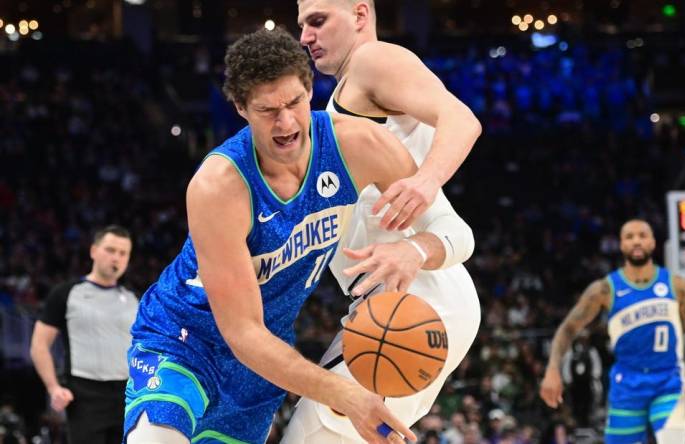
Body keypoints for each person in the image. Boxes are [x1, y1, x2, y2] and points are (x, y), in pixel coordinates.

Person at [119, 27, 455, 444]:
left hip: (263, 359)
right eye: (267, 110)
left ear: (310, 88)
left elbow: (452, 229)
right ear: (240, 108)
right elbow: (241, 331)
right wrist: (347, 396)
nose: (286, 122)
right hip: (185, 337)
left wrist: (415, 250)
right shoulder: (219, 185)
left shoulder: (359, 144)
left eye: (294, 102)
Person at [283, 1, 482, 442]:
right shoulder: (344, 93)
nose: (305, 37)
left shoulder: (373, 60)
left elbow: (461, 119)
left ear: (359, 15)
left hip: (416, 300)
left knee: (314, 432)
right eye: (301, 25)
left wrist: (426, 181)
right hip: (399, 301)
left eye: (317, 21)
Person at [539, 219, 685, 444]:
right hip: (627, 383)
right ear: (620, 245)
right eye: (629, 237)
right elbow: (568, 328)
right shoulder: (604, 289)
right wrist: (552, 369)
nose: (636, 241)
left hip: (669, 380)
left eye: (642, 235)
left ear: (653, 242)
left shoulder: (676, 285)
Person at [30, 225, 137, 444]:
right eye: (110, 250)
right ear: (93, 251)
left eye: (123, 253)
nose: (116, 257)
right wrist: (53, 387)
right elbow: (39, 345)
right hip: (85, 395)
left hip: (128, 394)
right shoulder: (66, 293)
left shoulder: (135, 298)